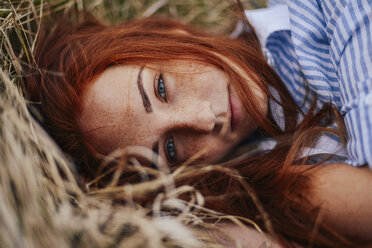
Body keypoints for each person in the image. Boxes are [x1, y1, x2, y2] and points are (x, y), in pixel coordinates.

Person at [24, 0, 372, 247]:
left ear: (168, 34)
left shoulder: (333, 12)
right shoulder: (259, 171)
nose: (204, 120)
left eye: (160, 89)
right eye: (170, 148)